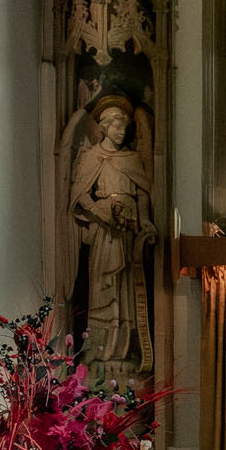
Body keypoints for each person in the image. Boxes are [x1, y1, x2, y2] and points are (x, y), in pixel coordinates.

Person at [67, 96, 155, 375]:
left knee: (125, 285)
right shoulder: (93, 157)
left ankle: (124, 347)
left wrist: (144, 221)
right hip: (105, 231)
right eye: (116, 127)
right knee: (103, 284)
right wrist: (100, 211)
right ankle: (99, 349)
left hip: (127, 230)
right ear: (104, 127)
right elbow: (79, 195)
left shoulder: (131, 159)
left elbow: (142, 192)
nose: (121, 131)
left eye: (124, 127)